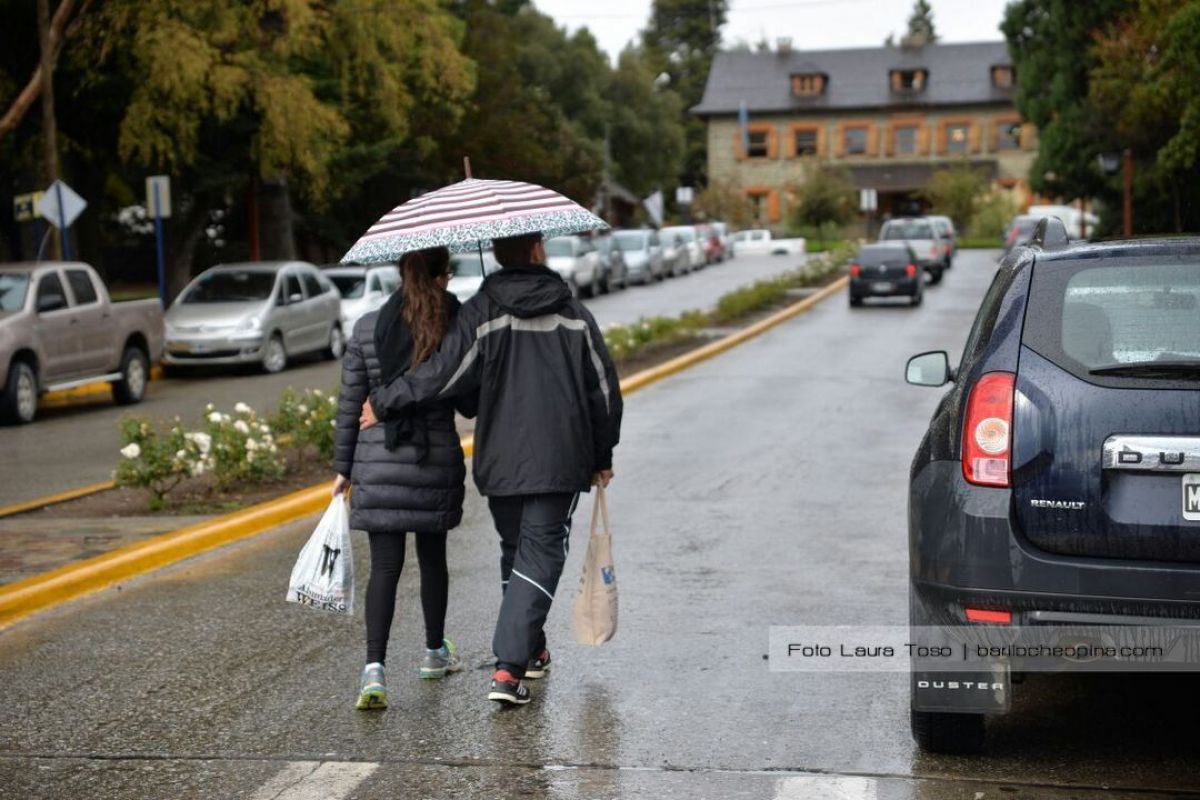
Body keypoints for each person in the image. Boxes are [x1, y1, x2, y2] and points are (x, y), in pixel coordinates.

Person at [359, 231, 623, 706]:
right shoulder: (573, 313)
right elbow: (603, 390)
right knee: (539, 554)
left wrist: (385, 400)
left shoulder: (483, 311)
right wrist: (602, 453)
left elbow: (441, 373)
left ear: (498, 254)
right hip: (559, 458)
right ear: (538, 249)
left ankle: (532, 649)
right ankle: (508, 669)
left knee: (517, 549)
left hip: (499, 457)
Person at [332, 246, 474, 711]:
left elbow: (350, 405)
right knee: (433, 561)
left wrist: (342, 470)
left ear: (400, 271)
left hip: (376, 459)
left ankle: (374, 669)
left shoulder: (367, 327)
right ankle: (434, 653)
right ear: (440, 276)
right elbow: (469, 398)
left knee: (386, 568)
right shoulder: (451, 325)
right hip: (432, 459)